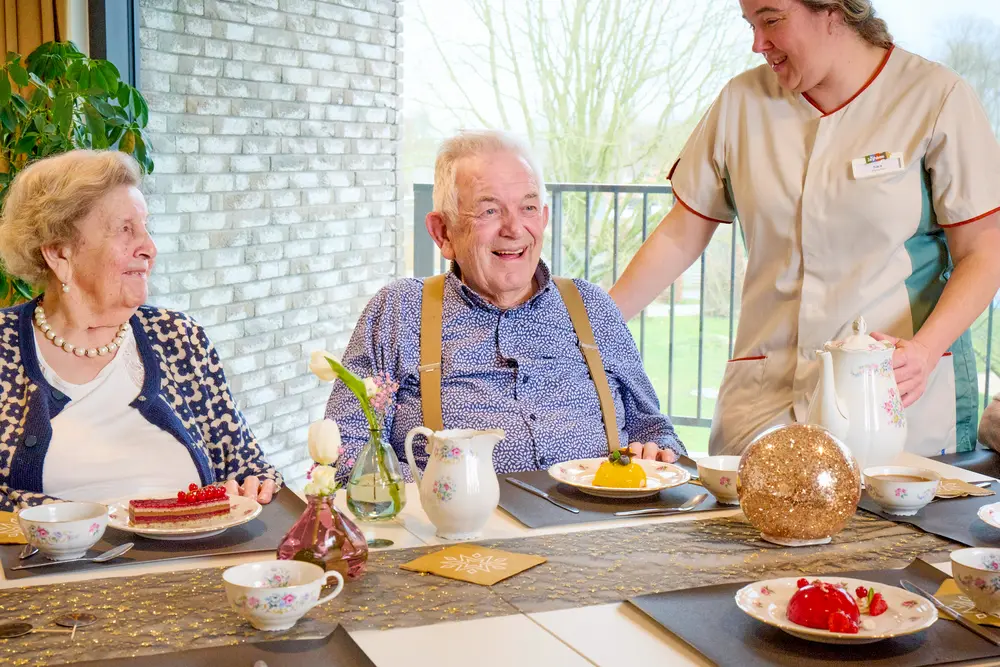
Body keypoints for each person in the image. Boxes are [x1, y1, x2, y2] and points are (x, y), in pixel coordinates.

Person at [610, 0, 1000, 458]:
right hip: (764, 401)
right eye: (750, 24)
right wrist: (592, 327)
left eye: (772, 20)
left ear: (832, 10)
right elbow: (681, 234)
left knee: (889, 531)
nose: (758, 43)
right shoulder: (741, 102)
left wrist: (925, 351)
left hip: (889, 396)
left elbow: (985, 252)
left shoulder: (935, 98)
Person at [326, 130, 684, 480]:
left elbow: (652, 427)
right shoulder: (399, 311)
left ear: (542, 219)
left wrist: (656, 451)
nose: (514, 228)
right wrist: (442, 490)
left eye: (527, 207)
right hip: (457, 534)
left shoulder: (591, 307)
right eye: (490, 211)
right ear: (443, 233)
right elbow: (347, 455)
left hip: (596, 525)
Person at [0, 150, 281, 510]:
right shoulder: (6, 345)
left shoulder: (178, 338)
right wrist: (108, 521)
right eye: (124, 230)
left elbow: (247, 466)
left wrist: (254, 485)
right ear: (59, 253)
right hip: (64, 564)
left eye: (146, 228)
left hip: (195, 558)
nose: (149, 248)